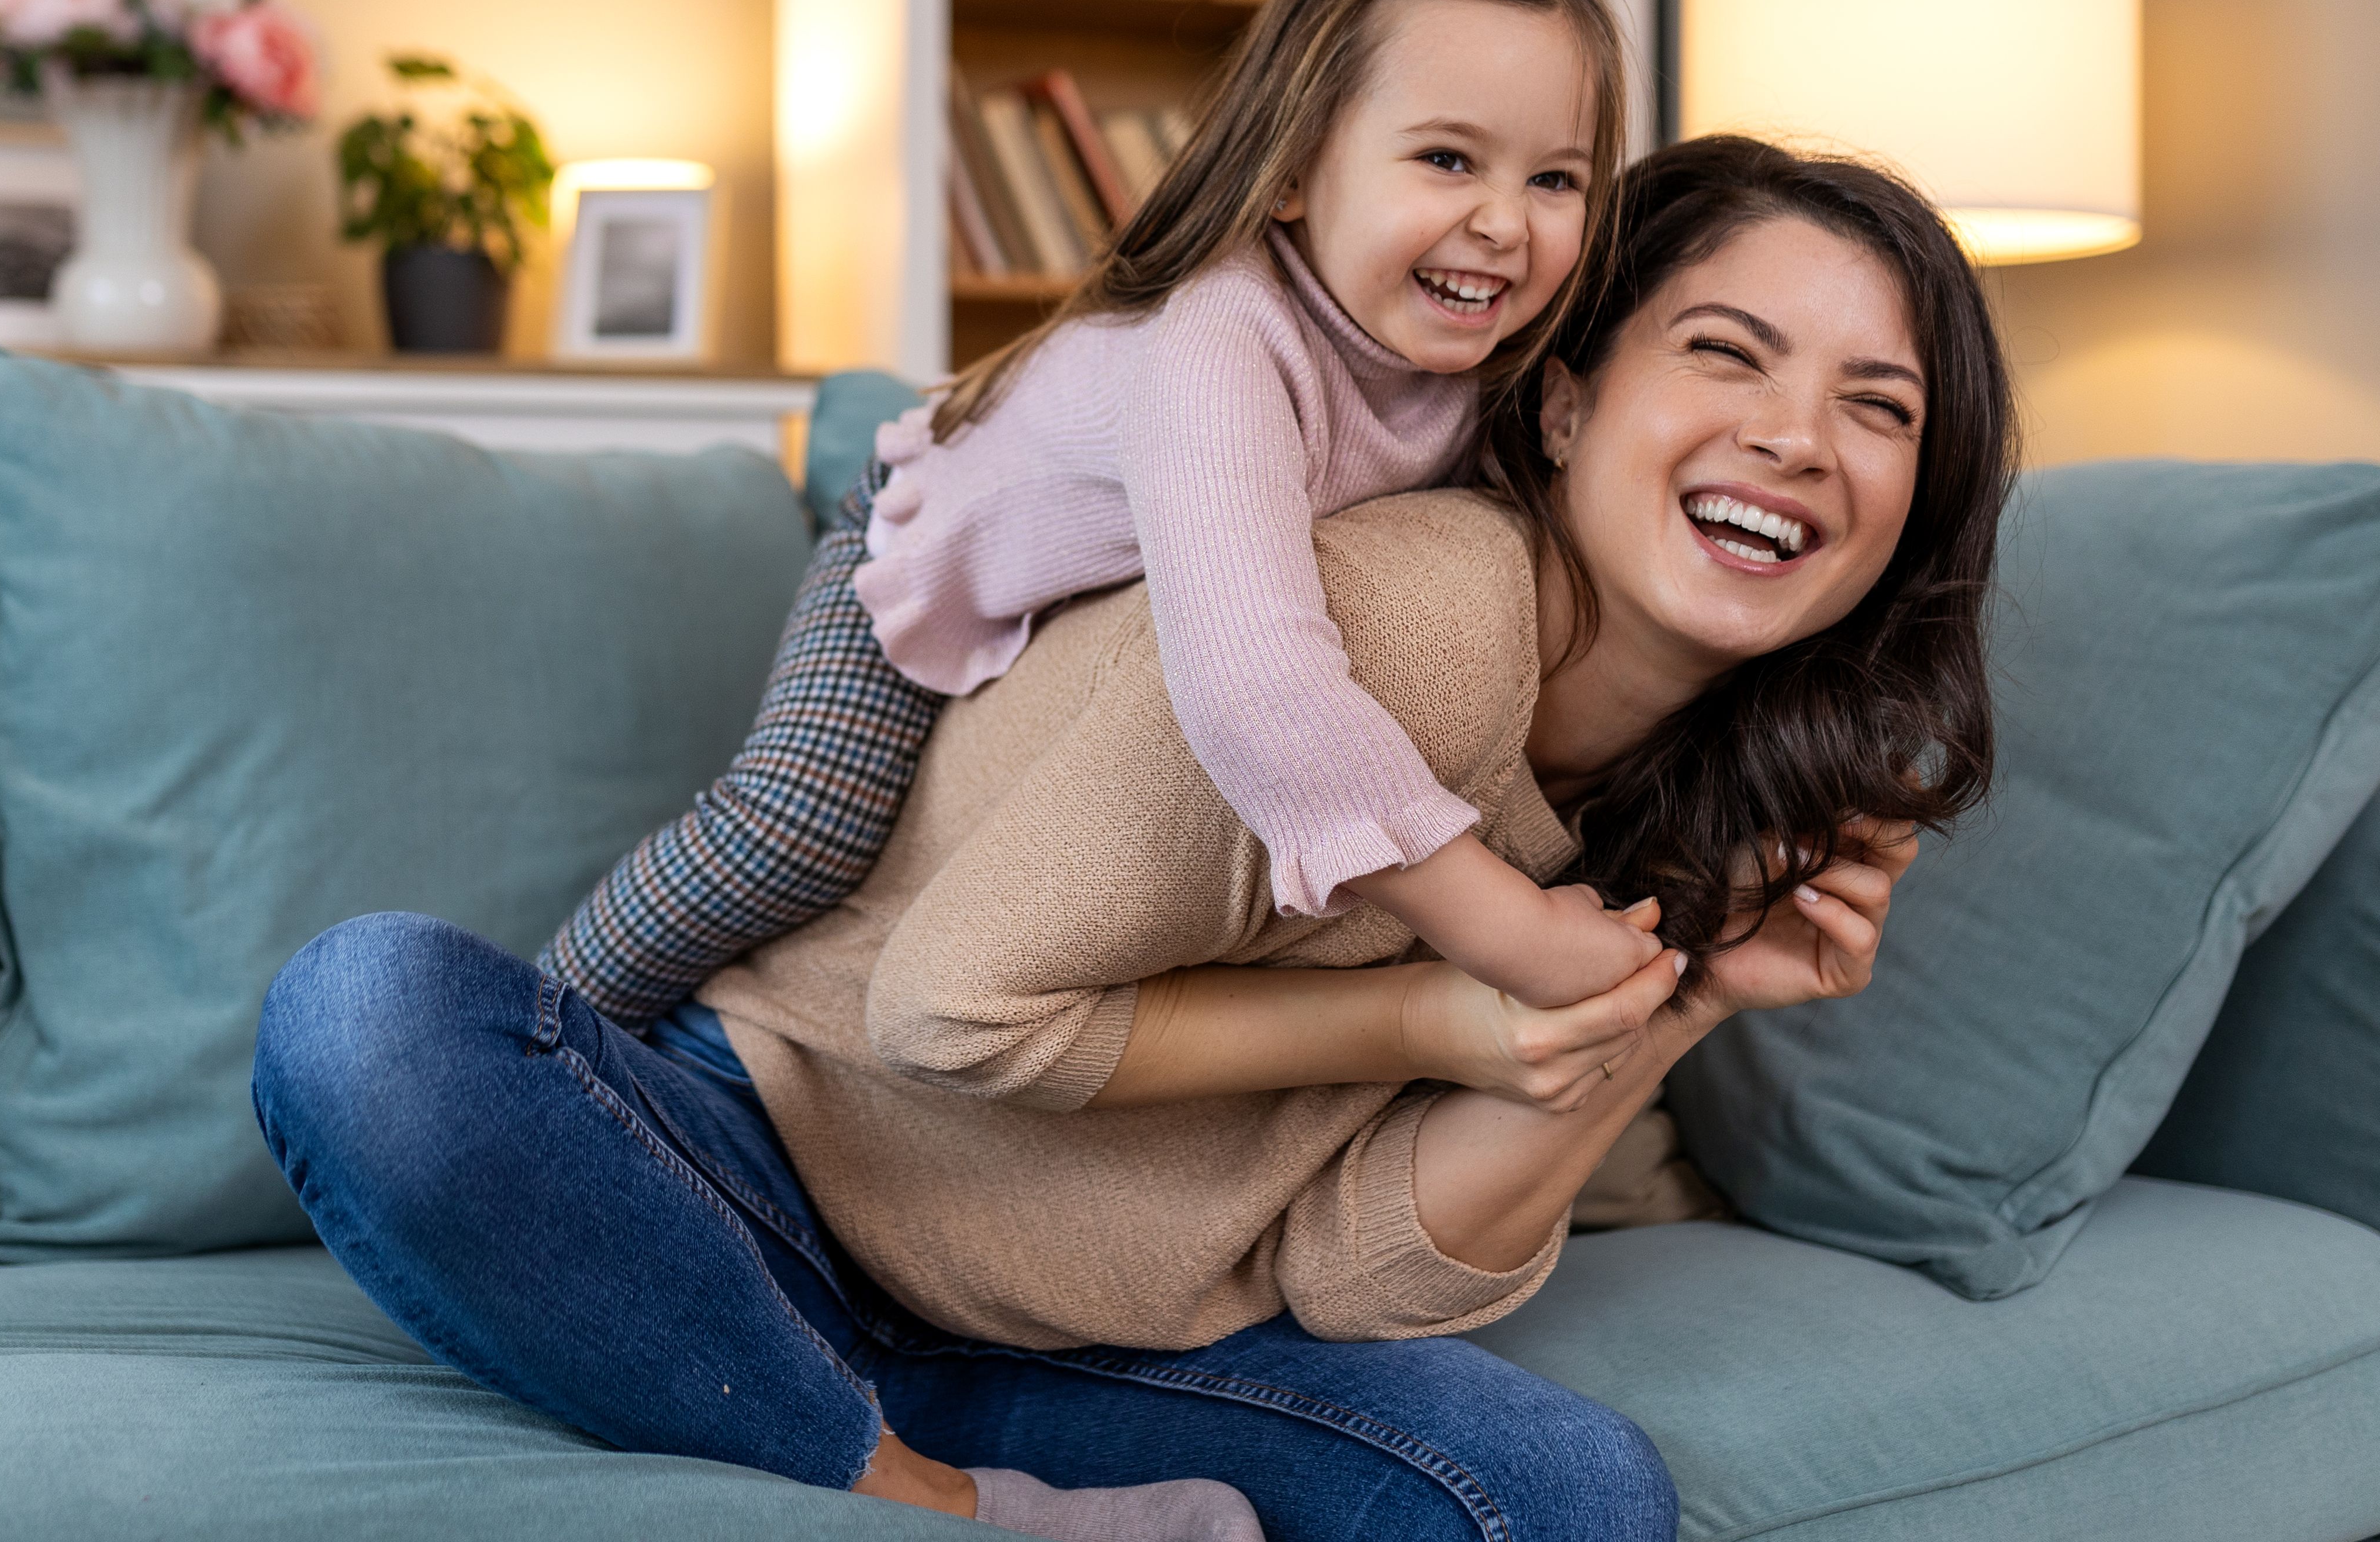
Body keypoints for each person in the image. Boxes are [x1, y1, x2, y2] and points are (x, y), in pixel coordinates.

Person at [253, 138, 2019, 1542]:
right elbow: (953, 1011)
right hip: (767, 1185)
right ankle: (914, 1503)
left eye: (1881, 406)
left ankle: (795, 1430)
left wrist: (1688, 995)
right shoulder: (1406, 620)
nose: (1798, 440)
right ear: (1562, 402)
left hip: (1100, 1340)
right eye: (1730, 355)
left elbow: (1361, 1274)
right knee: (369, 1019)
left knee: (1566, 1500)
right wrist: (1430, 1016)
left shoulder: (1696, 790)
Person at [547, 0, 1661, 1043]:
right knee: (796, 830)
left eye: (1557, 181)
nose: (1502, 224)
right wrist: (1508, 928)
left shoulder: (1493, 369)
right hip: (932, 539)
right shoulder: (1216, 339)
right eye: (1446, 159)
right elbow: (1256, 685)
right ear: (1290, 170)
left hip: (1099, 612)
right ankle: (539, 1025)